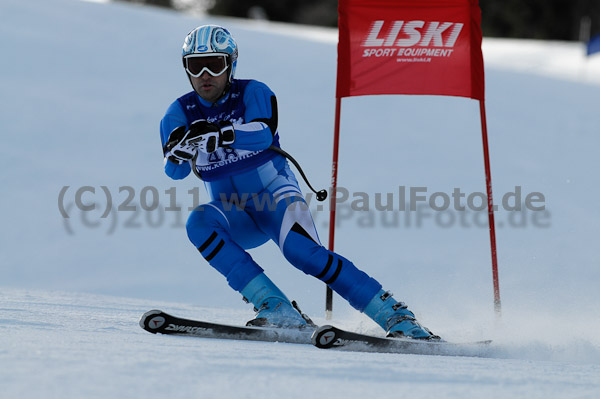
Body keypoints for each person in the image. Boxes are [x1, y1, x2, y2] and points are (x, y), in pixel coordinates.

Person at [159, 24, 439, 340]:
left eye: (215, 64)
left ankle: (396, 315)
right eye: (196, 66)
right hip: (235, 214)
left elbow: (264, 133)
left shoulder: (253, 92)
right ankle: (276, 307)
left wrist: (223, 133)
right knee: (198, 222)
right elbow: (175, 172)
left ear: (231, 65)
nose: (205, 74)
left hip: (274, 197)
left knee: (302, 253)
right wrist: (178, 154)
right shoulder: (179, 112)